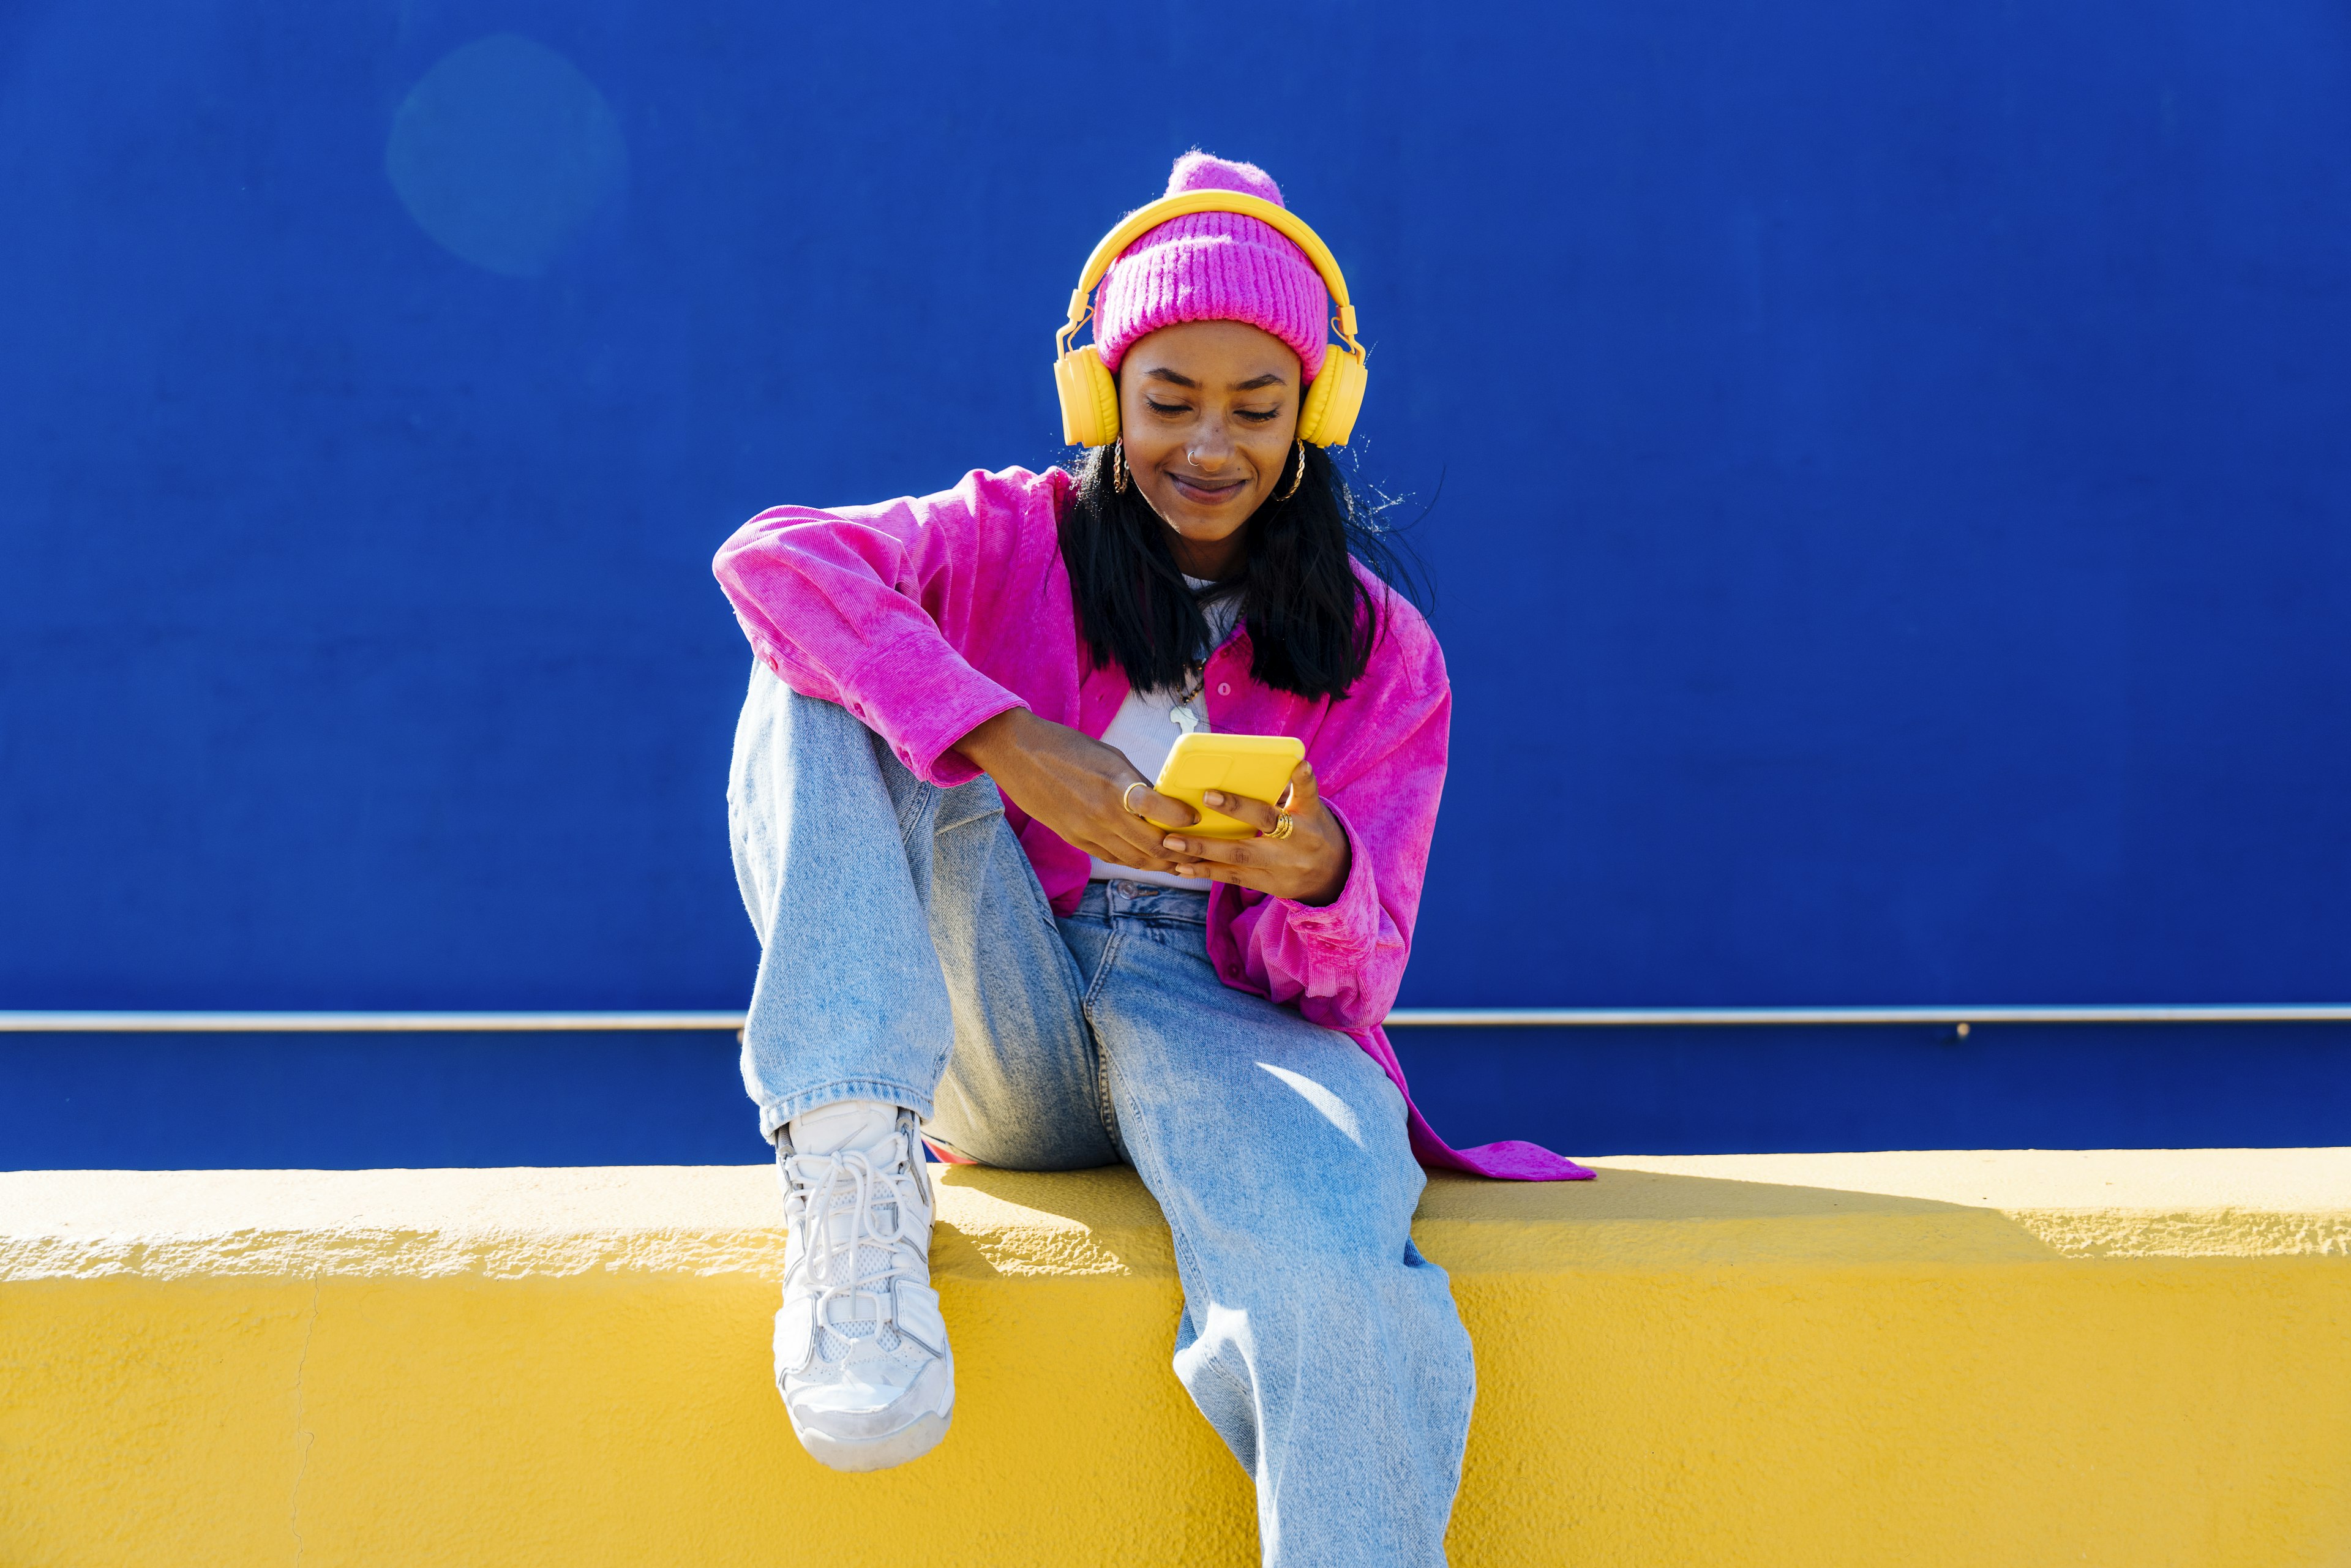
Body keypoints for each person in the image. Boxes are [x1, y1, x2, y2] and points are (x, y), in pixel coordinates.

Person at [713, 151, 1587, 1567]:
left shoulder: (1383, 652)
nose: (1209, 445)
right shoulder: (1006, 538)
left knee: (1332, 1290)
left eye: (1257, 408)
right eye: (1168, 400)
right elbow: (773, 562)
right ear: (1100, 397)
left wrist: (1312, 872)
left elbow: (1364, 974)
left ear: (1318, 410)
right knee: (819, 664)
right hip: (998, 1002)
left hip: (1226, 1025)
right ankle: (850, 1179)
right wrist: (1006, 739)